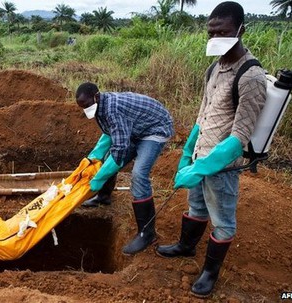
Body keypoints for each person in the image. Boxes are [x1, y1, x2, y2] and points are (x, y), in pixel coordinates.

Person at [156, 1, 267, 298]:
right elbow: (202, 116)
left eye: (224, 31)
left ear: (242, 30)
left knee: (223, 221)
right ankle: (185, 246)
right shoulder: (214, 68)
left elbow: (240, 137)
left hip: (222, 167)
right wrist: (187, 155)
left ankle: (209, 273)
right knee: (196, 207)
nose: (216, 37)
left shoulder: (251, 76)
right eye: (211, 31)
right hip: (200, 155)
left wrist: (203, 167)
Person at [76, 82, 174, 255]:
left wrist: (98, 178)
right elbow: (109, 135)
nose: (86, 109)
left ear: (96, 96)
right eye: (82, 107)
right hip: (135, 129)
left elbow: (120, 149)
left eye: (87, 105)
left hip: (154, 129)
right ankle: (103, 197)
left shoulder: (113, 109)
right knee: (106, 159)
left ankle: (146, 233)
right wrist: (92, 158)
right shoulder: (99, 107)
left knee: (138, 174)